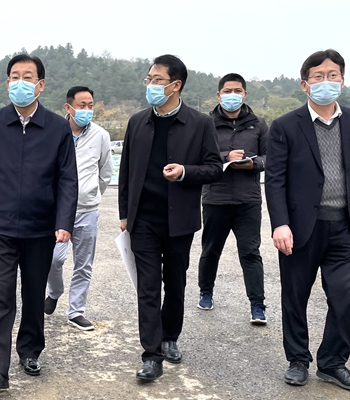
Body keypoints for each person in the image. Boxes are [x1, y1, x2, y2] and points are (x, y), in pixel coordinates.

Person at [0, 54, 78, 389]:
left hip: (40, 227)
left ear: (40, 85)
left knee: (32, 292)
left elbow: (67, 180)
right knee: (1, 294)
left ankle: (30, 350)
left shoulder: (57, 127)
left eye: (27, 77)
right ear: (7, 83)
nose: (20, 83)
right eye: (15, 76)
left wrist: (63, 222)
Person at [265, 49, 350, 391]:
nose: (327, 81)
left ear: (343, 80)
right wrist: (280, 223)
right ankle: (298, 359)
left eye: (333, 75)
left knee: (346, 295)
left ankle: (333, 363)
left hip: (345, 225)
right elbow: (275, 179)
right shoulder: (285, 126)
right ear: (305, 84)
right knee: (295, 296)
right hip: (300, 228)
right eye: (318, 76)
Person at [118, 54, 223, 381]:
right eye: (148, 79)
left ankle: (170, 337)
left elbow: (214, 168)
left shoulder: (200, 123)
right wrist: (124, 214)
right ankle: (151, 355)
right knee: (147, 287)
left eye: (157, 80)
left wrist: (184, 172)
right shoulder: (138, 122)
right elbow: (126, 172)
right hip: (143, 220)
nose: (150, 85)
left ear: (176, 85)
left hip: (180, 220)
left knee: (175, 282)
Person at [196, 73, 268, 324]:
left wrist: (253, 164)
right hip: (215, 198)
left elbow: (271, 157)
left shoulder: (258, 124)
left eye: (237, 91)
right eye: (227, 91)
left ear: (245, 94)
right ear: (218, 95)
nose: (232, 96)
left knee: (250, 253)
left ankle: (257, 305)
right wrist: (225, 156)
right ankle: (206, 291)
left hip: (248, 200)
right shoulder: (206, 124)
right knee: (210, 250)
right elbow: (198, 156)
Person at [44, 86, 112, 331]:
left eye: (90, 105)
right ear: (68, 107)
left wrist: (90, 195)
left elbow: (105, 173)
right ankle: (55, 291)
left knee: (83, 264)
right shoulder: (53, 132)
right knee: (53, 259)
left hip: (87, 211)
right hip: (57, 211)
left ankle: (76, 312)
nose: (87, 110)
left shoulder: (101, 136)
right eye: (82, 105)